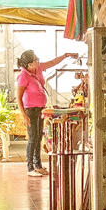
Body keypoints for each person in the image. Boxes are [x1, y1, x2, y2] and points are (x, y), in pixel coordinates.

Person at [16, 48, 77, 176]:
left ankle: (37, 165)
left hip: (40, 109)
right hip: (30, 111)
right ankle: (30, 168)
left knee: (38, 137)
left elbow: (53, 62)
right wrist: (24, 115)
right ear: (29, 65)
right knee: (32, 138)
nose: (38, 61)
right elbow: (19, 98)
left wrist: (66, 54)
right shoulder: (23, 76)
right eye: (35, 60)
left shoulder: (37, 68)